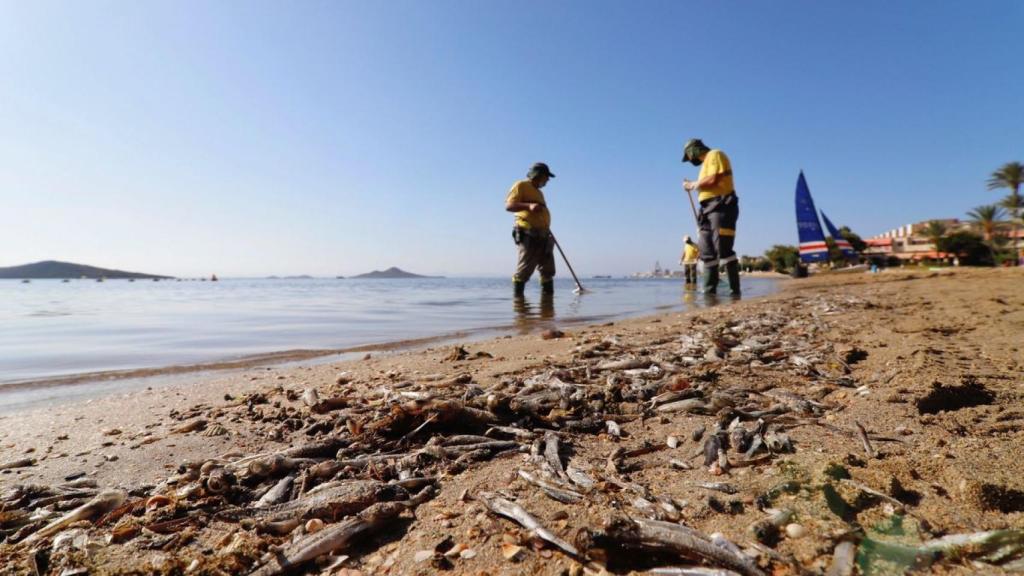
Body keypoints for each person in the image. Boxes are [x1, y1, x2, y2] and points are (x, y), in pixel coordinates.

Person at [682, 139, 740, 295]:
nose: (691, 160)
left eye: (689, 156)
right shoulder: (703, 166)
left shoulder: (715, 154)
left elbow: (714, 179)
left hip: (721, 205)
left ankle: (734, 293)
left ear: (693, 150)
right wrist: (695, 185)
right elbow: (705, 182)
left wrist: (693, 185)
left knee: (723, 247)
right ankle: (709, 294)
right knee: (706, 250)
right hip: (706, 209)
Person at [506, 162, 556, 296]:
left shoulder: (539, 192)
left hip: (544, 234)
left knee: (547, 269)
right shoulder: (521, 185)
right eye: (547, 177)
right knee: (525, 269)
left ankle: (547, 309)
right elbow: (509, 206)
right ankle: (520, 307)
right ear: (539, 175)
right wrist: (529, 206)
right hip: (528, 233)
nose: (548, 180)